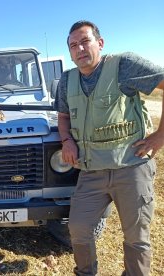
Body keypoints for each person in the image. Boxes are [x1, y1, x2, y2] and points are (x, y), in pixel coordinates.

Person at [54, 20, 164, 275]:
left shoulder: (123, 65)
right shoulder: (67, 80)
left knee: (136, 236)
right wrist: (67, 141)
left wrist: (160, 136)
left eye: (85, 41)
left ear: (100, 43)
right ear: (69, 52)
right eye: (73, 45)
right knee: (79, 228)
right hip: (91, 170)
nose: (79, 49)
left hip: (132, 166)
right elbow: (63, 116)